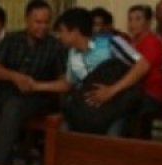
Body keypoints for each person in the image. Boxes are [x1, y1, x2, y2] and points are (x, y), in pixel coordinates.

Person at [0, 0, 64, 165]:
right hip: (6, 90)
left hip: (36, 97)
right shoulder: (12, 39)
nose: (43, 26)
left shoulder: (55, 46)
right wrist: (14, 76)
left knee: (12, 107)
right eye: (38, 22)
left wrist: (36, 85)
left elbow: (64, 83)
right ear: (27, 20)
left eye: (47, 22)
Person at [32, 7, 150, 136]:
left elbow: (143, 65)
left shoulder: (111, 43)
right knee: (63, 131)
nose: (59, 36)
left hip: (116, 107)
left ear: (75, 32)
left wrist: (111, 90)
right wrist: (36, 85)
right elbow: (67, 84)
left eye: (62, 31)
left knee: (112, 135)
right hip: (88, 111)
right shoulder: (72, 54)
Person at [128, 4, 162, 136]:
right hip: (134, 89)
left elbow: (139, 71)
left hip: (151, 92)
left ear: (148, 22)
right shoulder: (132, 42)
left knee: (132, 109)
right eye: (130, 19)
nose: (133, 23)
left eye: (138, 19)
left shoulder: (152, 42)